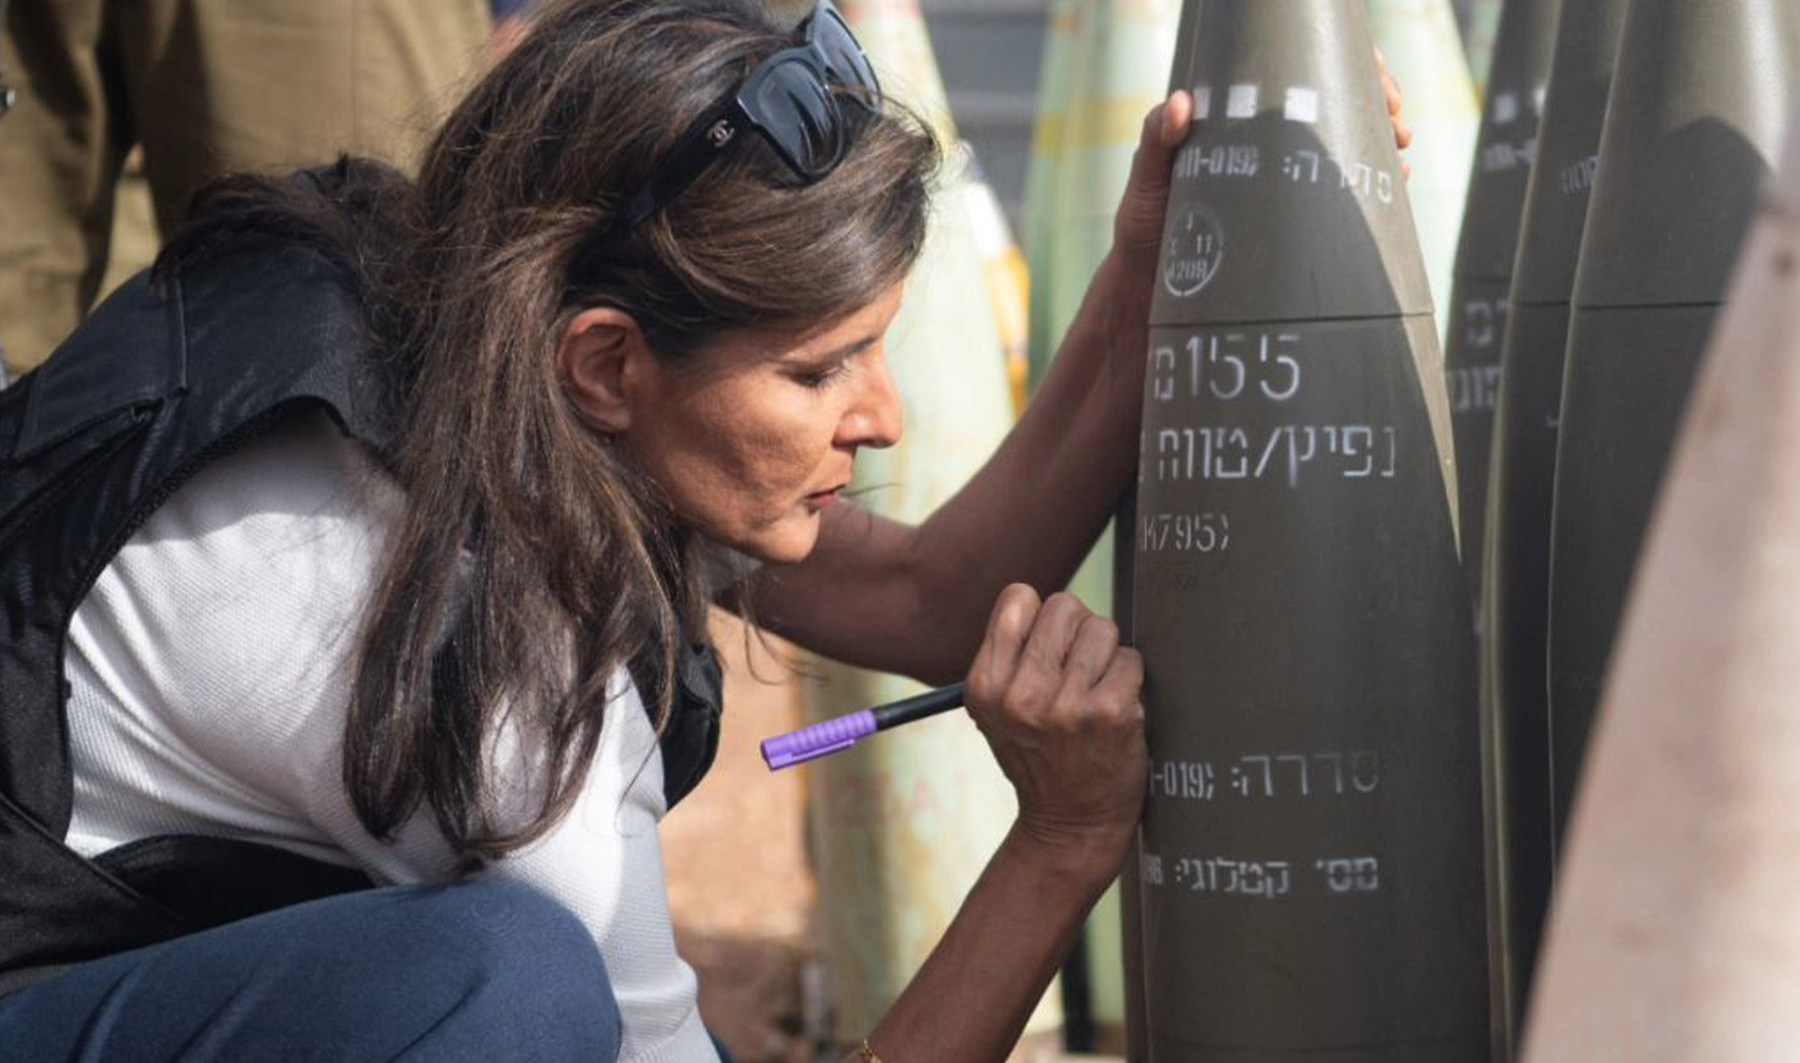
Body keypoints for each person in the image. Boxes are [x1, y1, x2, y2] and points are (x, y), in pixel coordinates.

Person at [0, 1, 1409, 1059]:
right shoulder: (486, 673)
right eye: (819, 371)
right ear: (608, 364)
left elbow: (928, 600)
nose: (884, 420)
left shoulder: (458, 344)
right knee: (506, 997)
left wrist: (1142, 278)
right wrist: (1062, 842)